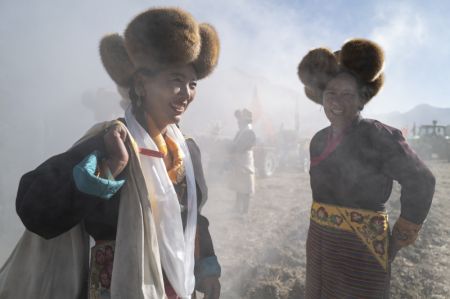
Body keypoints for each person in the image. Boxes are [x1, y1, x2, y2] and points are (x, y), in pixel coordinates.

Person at [0, 8, 221, 299]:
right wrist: (110, 169)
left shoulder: (187, 150)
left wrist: (207, 267)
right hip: (118, 287)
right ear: (141, 84)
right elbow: (35, 210)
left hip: (178, 287)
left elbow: (192, 218)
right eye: (175, 80)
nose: (186, 94)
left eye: (192, 84)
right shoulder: (110, 142)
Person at [297, 38, 435, 298]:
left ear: (362, 100)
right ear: (321, 98)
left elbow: (422, 181)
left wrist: (399, 236)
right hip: (319, 242)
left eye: (347, 94)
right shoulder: (317, 140)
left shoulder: (380, 136)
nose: (337, 102)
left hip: (363, 247)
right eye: (330, 94)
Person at [228, 109, 256, 215]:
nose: (238, 123)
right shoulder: (241, 131)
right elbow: (235, 144)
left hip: (246, 164)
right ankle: (237, 208)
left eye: (240, 121)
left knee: (246, 189)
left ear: (244, 121)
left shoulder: (249, 132)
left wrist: (234, 151)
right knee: (239, 187)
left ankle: (244, 211)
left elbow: (244, 146)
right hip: (240, 162)